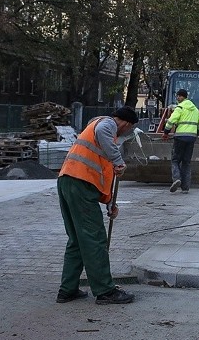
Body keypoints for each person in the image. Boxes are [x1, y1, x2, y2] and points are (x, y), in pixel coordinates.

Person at [56, 106, 138, 305]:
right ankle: (105, 291)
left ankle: (68, 290)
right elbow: (106, 159)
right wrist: (119, 161)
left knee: (77, 239)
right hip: (80, 184)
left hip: (68, 181)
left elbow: (102, 172)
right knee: (94, 238)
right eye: (129, 128)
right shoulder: (107, 125)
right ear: (126, 124)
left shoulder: (97, 129)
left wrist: (110, 203)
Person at [162, 89, 199, 194]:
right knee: (186, 162)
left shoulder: (180, 107)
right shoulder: (195, 109)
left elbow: (171, 121)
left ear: (183, 97)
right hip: (191, 138)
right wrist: (197, 132)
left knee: (175, 160)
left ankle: (176, 178)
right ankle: (185, 188)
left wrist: (166, 132)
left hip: (180, 137)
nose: (177, 98)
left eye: (179, 96)